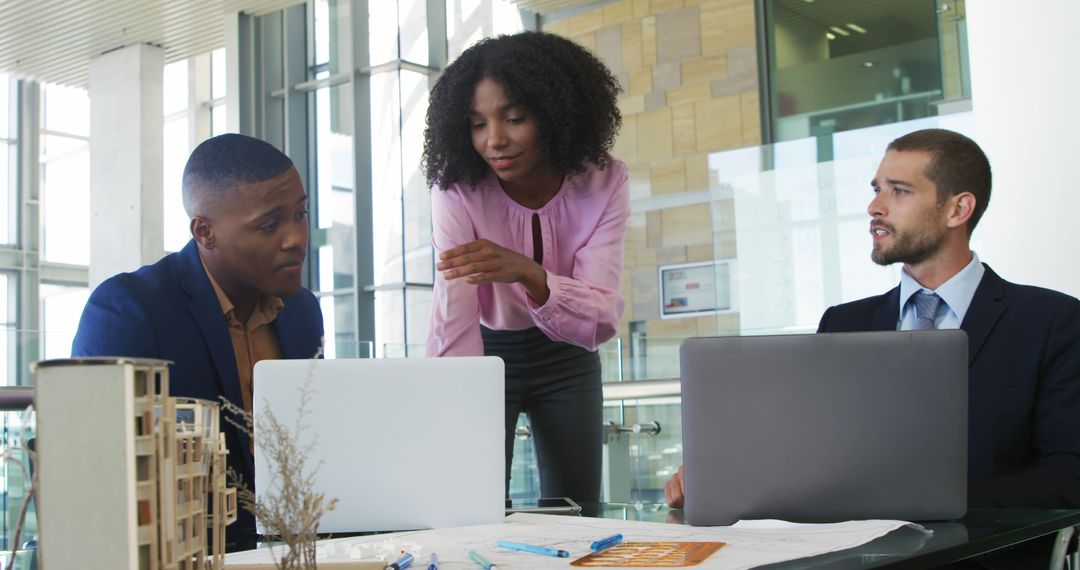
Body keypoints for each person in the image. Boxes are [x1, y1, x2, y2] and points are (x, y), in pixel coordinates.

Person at [665, 128, 1080, 511]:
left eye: (898, 192)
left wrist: (927, 501)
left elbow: (1069, 476)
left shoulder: (1052, 323)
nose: (874, 207)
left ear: (958, 209)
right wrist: (721, 479)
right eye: (877, 190)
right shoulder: (843, 324)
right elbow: (807, 454)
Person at [72, 133, 324, 550]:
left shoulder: (302, 311)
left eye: (301, 213)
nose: (296, 237)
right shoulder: (127, 312)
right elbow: (101, 484)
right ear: (204, 232)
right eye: (270, 224)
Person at [423, 31, 629, 504]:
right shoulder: (455, 189)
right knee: (472, 502)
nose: (494, 140)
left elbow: (597, 319)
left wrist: (528, 272)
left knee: (575, 510)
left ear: (557, 114)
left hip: (568, 355)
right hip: (484, 351)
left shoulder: (604, 181)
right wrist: (453, 400)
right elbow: (453, 314)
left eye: (514, 118)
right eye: (477, 124)